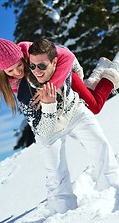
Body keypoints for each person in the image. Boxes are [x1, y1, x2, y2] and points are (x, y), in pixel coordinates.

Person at [16, 39, 119, 220]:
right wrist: (47, 106)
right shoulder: (25, 93)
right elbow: (45, 132)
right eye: (32, 66)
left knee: (100, 146)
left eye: (41, 65)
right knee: (57, 177)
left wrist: (78, 77)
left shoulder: (64, 67)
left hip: (74, 112)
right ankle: (63, 214)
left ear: (55, 62)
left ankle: (112, 189)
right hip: (48, 131)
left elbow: (71, 61)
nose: (36, 71)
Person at [0, 38, 119, 132]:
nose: (17, 72)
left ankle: (114, 71)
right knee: (86, 104)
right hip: (55, 95)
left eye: (19, 65)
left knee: (95, 107)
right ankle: (101, 70)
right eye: (10, 70)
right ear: (1, 71)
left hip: (64, 75)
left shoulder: (29, 50)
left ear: (22, 56)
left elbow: (67, 56)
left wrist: (49, 87)